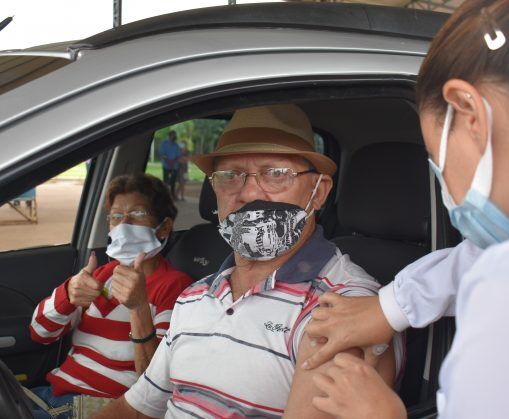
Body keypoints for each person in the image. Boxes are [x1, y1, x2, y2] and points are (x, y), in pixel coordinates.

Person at [302, 0, 509, 418]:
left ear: (469, 112)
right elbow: (475, 259)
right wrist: (394, 305)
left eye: (435, 159)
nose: (445, 183)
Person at [94, 104, 404, 418]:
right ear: (214, 189)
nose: (250, 192)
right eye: (231, 176)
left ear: (319, 192)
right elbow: (135, 409)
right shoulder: (194, 297)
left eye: (276, 174)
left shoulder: (346, 311)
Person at [29, 174, 193, 417]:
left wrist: (138, 307)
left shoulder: (174, 286)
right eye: (116, 216)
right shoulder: (100, 274)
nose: (124, 223)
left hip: (98, 406)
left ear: (164, 228)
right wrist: (68, 295)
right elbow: (39, 334)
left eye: (137, 214)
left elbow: (156, 380)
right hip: (51, 395)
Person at [159, 131, 181, 197]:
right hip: (166, 165)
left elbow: (178, 155)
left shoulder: (176, 145)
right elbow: (162, 154)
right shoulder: (164, 143)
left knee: (173, 182)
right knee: (165, 181)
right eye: (173, 135)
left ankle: (172, 195)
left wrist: (173, 162)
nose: (175, 136)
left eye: (175, 135)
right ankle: (165, 195)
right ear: (170, 135)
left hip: (174, 166)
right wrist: (168, 161)